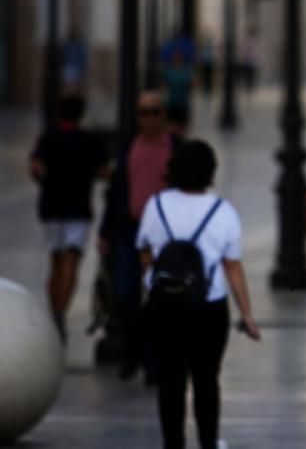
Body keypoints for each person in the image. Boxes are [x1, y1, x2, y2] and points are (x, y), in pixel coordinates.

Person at [137, 140, 260, 449]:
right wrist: (246, 314)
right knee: (206, 380)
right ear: (210, 172)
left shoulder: (157, 205)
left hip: (164, 306)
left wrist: (156, 279)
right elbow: (232, 267)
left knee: (170, 382)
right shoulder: (222, 211)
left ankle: (173, 443)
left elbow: (144, 251)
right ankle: (207, 441)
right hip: (208, 307)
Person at [99, 90, 181, 382]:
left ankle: (151, 361)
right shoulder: (127, 147)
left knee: (160, 298)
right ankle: (133, 353)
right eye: (143, 113)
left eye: (155, 112)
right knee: (124, 294)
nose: (149, 118)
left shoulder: (175, 146)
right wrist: (105, 230)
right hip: (129, 231)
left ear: (164, 115)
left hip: (165, 235)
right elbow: (116, 191)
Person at [29, 95, 110, 341]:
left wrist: (44, 182)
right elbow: (104, 171)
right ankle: (60, 313)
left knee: (56, 262)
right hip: (78, 208)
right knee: (71, 263)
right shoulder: (89, 140)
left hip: (51, 208)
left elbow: (34, 167)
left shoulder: (48, 138)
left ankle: (55, 311)